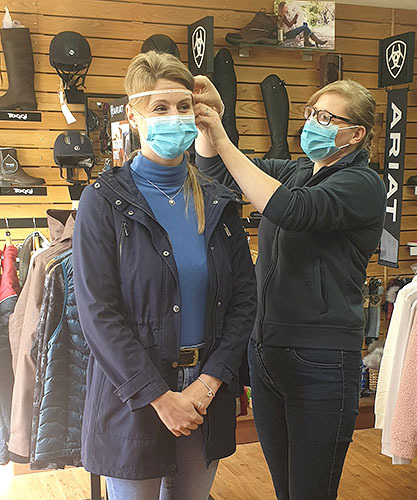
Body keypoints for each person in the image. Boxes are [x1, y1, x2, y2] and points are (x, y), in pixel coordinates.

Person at [72, 51, 257, 500]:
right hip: (135, 397)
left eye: (182, 107)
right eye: (160, 108)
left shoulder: (216, 200)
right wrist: (161, 397)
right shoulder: (102, 201)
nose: (174, 117)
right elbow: (99, 314)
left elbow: (244, 300)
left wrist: (209, 383)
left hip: (204, 397)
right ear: (134, 117)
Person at [193, 78, 386, 499]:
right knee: (286, 489)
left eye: (327, 117)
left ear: (356, 134)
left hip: (319, 361)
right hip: (266, 351)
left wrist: (225, 140)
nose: (314, 123)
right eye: (312, 113)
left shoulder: (364, 185)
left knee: (310, 493)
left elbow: (290, 209)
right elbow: (216, 171)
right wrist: (211, 123)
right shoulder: (298, 170)